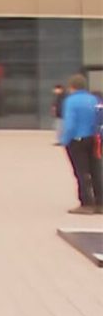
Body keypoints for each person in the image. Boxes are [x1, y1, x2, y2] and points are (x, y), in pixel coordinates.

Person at [59, 75, 102, 214]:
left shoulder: (71, 101)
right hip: (94, 139)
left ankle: (86, 203)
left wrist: (64, 140)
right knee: (96, 171)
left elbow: (70, 124)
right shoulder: (94, 99)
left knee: (82, 172)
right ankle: (100, 202)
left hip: (77, 139)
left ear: (72, 87)